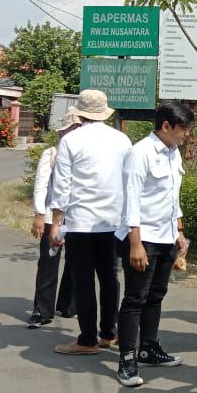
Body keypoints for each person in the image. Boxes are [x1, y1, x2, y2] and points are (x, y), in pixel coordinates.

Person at [114, 102, 194, 387]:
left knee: (156, 295)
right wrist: (135, 243)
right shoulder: (140, 153)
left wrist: (179, 231)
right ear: (166, 126)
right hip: (142, 238)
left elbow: (172, 197)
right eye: (184, 129)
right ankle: (127, 358)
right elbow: (130, 199)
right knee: (135, 298)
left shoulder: (174, 154)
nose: (187, 135)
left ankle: (149, 347)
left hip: (165, 236)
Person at [48, 90, 132, 355]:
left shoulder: (71, 141)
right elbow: (130, 179)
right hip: (113, 220)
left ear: (80, 113)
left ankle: (87, 339)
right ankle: (109, 332)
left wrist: (56, 223)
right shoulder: (122, 140)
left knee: (83, 279)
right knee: (110, 278)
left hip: (82, 221)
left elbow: (62, 185)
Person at [26, 108, 80, 328]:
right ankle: (42, 310)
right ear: (62, 133)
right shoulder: (51, 154)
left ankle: (67, 305)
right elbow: (41, 185)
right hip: (51, 216)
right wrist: (39, 214)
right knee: (48, 263)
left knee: (76, 263)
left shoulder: (84, 155)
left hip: (77, 218)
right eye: (70, 129)